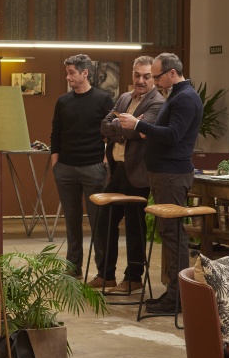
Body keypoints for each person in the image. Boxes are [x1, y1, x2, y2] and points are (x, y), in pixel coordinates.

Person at [118, 53, 203, 314]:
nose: (154, 81)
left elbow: (174, 135)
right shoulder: (176, 95)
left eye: (156, 76)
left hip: (171, 175)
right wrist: (147, 131)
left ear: (172, 73)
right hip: (164, 174)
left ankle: (178, 298)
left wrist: (139, 124)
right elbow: (166, 132)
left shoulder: (185, 98)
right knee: (168, 233)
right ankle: (173, 293)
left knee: (173, 234)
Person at [89, 56, 165, 293]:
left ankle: (133, 278)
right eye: (137, 75)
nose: (140, 80)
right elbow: (104, 125)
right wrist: (124, 126)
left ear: (154, 78)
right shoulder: (124, 98)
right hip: (117, 171)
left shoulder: (157, 102)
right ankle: (106, 275)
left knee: (134, 226)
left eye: (146, 76)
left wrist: (124, 127)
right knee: (105, 222)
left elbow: (138, 131)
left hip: (138, 173)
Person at [50, 54, 114, 278]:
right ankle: (73, 267)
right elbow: (56, 133)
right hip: (65, 169)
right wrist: (56, 164)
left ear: (85, 73)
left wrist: (104, 162)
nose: (67, 77)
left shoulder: (103, 99)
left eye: (71, 73)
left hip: (93, 168)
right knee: (71, 221)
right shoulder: (63, 101)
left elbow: (112, 134)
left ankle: (103, 274)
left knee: (98, 223)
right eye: (67, 73)